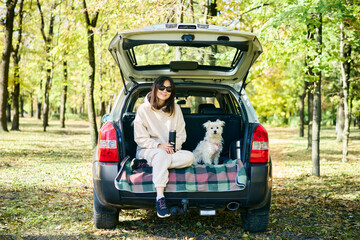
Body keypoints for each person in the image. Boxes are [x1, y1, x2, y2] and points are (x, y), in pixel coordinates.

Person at [132, 76, 194, 218]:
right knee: (160, 155)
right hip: (147, 150)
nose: (164, 91)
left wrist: (174, 148)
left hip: (170, 151)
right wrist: (158, 146)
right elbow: (140, 138)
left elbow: (181, 134)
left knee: (190, 157)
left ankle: (146, 164)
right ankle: (160, 198)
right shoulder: (143, 110)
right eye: (161, 87)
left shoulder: (175, 109)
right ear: (155, 88)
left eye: (168, 89)